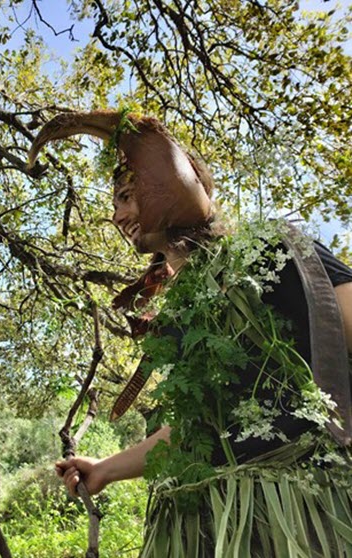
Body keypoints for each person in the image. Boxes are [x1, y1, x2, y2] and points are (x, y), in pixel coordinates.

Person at [28, 109, 352, 556]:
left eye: (128, 194)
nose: (119, 214)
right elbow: (195, 428)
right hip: (205, 527)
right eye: (115, 203)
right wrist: (104, 468)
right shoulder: (177, 313)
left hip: (295, 517)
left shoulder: (270, 254)